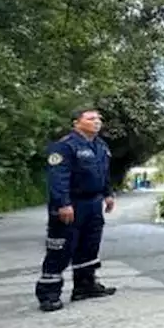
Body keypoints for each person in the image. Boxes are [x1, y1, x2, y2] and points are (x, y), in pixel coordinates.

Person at [35, 107, 118, 312]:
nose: (97, 121)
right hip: (71, 204)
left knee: (89, 246)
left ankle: (85, 285)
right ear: (76, 123)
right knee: (61, 248)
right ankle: (49, 294)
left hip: (93, 204)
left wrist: (108, 194)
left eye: (99, 118)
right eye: (91, 118)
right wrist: (63, 203)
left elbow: (104, 173)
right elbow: (58, 177)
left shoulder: (100, 146)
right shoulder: (64, 147)